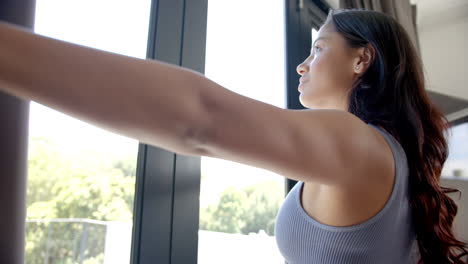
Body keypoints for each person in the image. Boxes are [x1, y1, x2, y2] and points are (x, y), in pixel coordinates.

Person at [0, 7, 466, 264]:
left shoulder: (358, 143)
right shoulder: (375, 155)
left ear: (362, 60)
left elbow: (202, 119)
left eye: (318, 48)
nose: (302, 64)